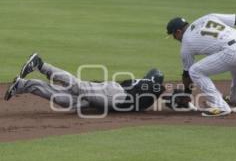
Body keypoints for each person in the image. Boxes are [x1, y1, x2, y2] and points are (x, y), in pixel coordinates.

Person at [166, 13, 236, 116]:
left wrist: (186, 94)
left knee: (194, 71)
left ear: (178, 32)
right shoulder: (208, 17)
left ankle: (221, 106)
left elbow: (187, 74)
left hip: (234, 51)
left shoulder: (186, 44)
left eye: (173, 35)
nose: (175, 39)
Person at [4, 53, 165, 112]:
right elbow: (159, 88)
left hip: (109, 97)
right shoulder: (151, 86)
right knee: (77, 85)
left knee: (65, 100)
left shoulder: (145, 89)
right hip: (115, 96)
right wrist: (174, 96)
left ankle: (23, 85)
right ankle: (40, 64)